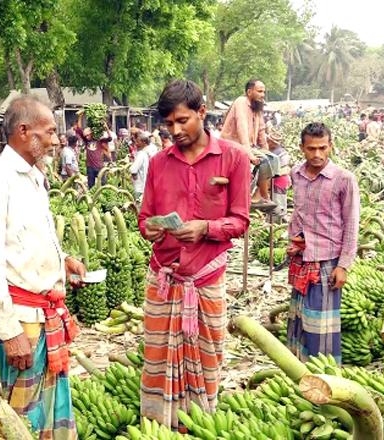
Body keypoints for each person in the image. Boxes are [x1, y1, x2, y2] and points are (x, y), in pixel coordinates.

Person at [0, 95, 86, 439]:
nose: (55, 140)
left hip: (45, 313)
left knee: (49, 410)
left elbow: (26, 240)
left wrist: (62, 264)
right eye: (49, 132)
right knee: (21, 420)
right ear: (23, 131)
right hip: (22, 320)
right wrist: (9, 330)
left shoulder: (33, 177)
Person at [138, 80, 250, 430]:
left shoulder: (234, 158)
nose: (175, 130)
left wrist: (206, 228)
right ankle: (160, 424)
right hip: (164, 277)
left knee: (207, 354)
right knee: (157, 356)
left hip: (205, 278)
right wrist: (150, 229)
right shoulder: (158, 163)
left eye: (183, 120)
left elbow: (241, 220)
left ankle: (200, 422)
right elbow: (144, 218)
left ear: (202, 113)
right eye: (168, 124)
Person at [286, 122, 360, 364]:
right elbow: (298, 213)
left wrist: (344, 265)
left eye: (322, 148)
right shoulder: (296, 175)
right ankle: (299, 371)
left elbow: (351, 224)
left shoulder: (343, 179)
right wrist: (294, 238)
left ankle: (326, 376)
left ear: (331, 147)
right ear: (302, 148)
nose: (317, 154)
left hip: (327, 262)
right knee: (299, 320)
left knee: (321, 326)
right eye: (311, 149)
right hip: (302, 259)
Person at [220, 79, 277, 210]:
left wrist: (266, 149)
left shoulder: (257, 106)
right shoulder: (241, 102)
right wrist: (249, 152)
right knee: (263, 161)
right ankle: (260, 197)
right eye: (260, 91)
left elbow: (261, 132)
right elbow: (242, 128)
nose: (263, 94)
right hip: (232, 146)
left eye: (264, 91)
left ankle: (260, 195)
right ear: (249, 92)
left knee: (274, 160)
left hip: (249, 146)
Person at [268, 129, 291, 223]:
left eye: (269, 141)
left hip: (279, 181)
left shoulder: (280, 154)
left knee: (278, 201)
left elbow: (281, 169)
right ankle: (274, 221)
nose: (267, 143)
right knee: (276, 200)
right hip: (276, 180)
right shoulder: (275, 151)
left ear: (274, 143)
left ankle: (278, 222)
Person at [129, 130, 157, 201]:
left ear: (143, 143)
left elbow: (133, 169)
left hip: (139, 186)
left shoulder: (142, 154)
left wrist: (134, 175)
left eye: (138, 141)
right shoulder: (151, 149)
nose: (136, 143)